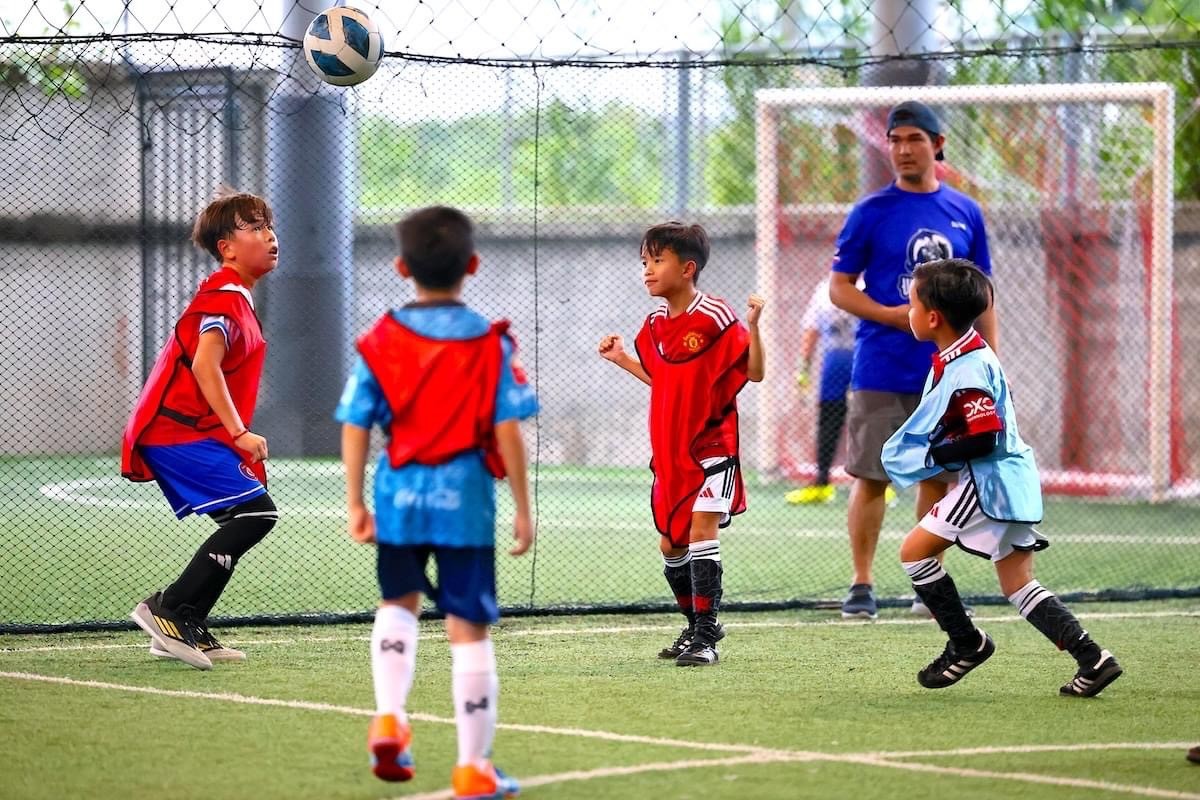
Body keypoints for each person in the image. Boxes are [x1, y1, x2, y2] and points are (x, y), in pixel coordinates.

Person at [337, 206, 538, 798]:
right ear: (472, 266)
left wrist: (355, 500)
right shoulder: (489, 342)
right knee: (468, 626)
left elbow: (355, 422)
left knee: (396, 603)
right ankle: (473, 766)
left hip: (399, 494)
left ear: (402, 267)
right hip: (466, 502)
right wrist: (523, 507)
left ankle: (390, 716)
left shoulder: (381, 340)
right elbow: (507, 430)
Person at [883, 258, 1122, 697]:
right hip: (1011, 480)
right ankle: (1093, 658)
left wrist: (937, 453)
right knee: (1018, 583)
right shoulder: (964, 354)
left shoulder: (969, 367)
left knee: (915, 552)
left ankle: (966, 642)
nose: (907, 311)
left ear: (933, 318)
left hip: (989, 482)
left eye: (911, 304)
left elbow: (983, 435)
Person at [829, 100, 997, 620]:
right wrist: (891, 314)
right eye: (895, 140)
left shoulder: (965, 211)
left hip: (946, 372)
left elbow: (983, 295)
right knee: (871, 475)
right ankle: (861, 584)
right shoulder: (871, 212)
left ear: (937, 145)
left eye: (914, 139)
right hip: (881, 365)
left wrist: (989, 364)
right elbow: (839, 288)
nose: (903, 149)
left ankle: (927, 582)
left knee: (938, 478)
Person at [121, 189, 280, 671]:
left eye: (269, 226)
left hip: (186, 432)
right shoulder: (223, 298)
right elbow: (205, 366)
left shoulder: (236, 298)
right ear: (227, 247)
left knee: (248, 518)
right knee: (255, 515)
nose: (269, 236)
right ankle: (168, 611)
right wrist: (237, 432)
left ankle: (184, 618)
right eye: (254, 227)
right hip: (177, 432)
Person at [599, 222, 765, 667]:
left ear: (687, 268)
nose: (648, 271)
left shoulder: (715, 314)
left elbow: (753, 372)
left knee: (700, 531)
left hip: (712, 444)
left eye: (657, 261)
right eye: (644, 262)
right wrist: (623, 360)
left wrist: (754, 327)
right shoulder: (653, 324)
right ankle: (696, 626)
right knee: (670, 546)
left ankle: (707, 637)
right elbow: (663, 381)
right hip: (669, 450)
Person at [785, 276, 897, 507]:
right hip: (835, 361)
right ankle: (822, 483)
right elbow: (811, 330)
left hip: (867, 361)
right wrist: (803, 370)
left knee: (872, 422)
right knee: (829, 420)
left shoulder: (874, 285)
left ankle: (878, 483)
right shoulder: (824, 289)